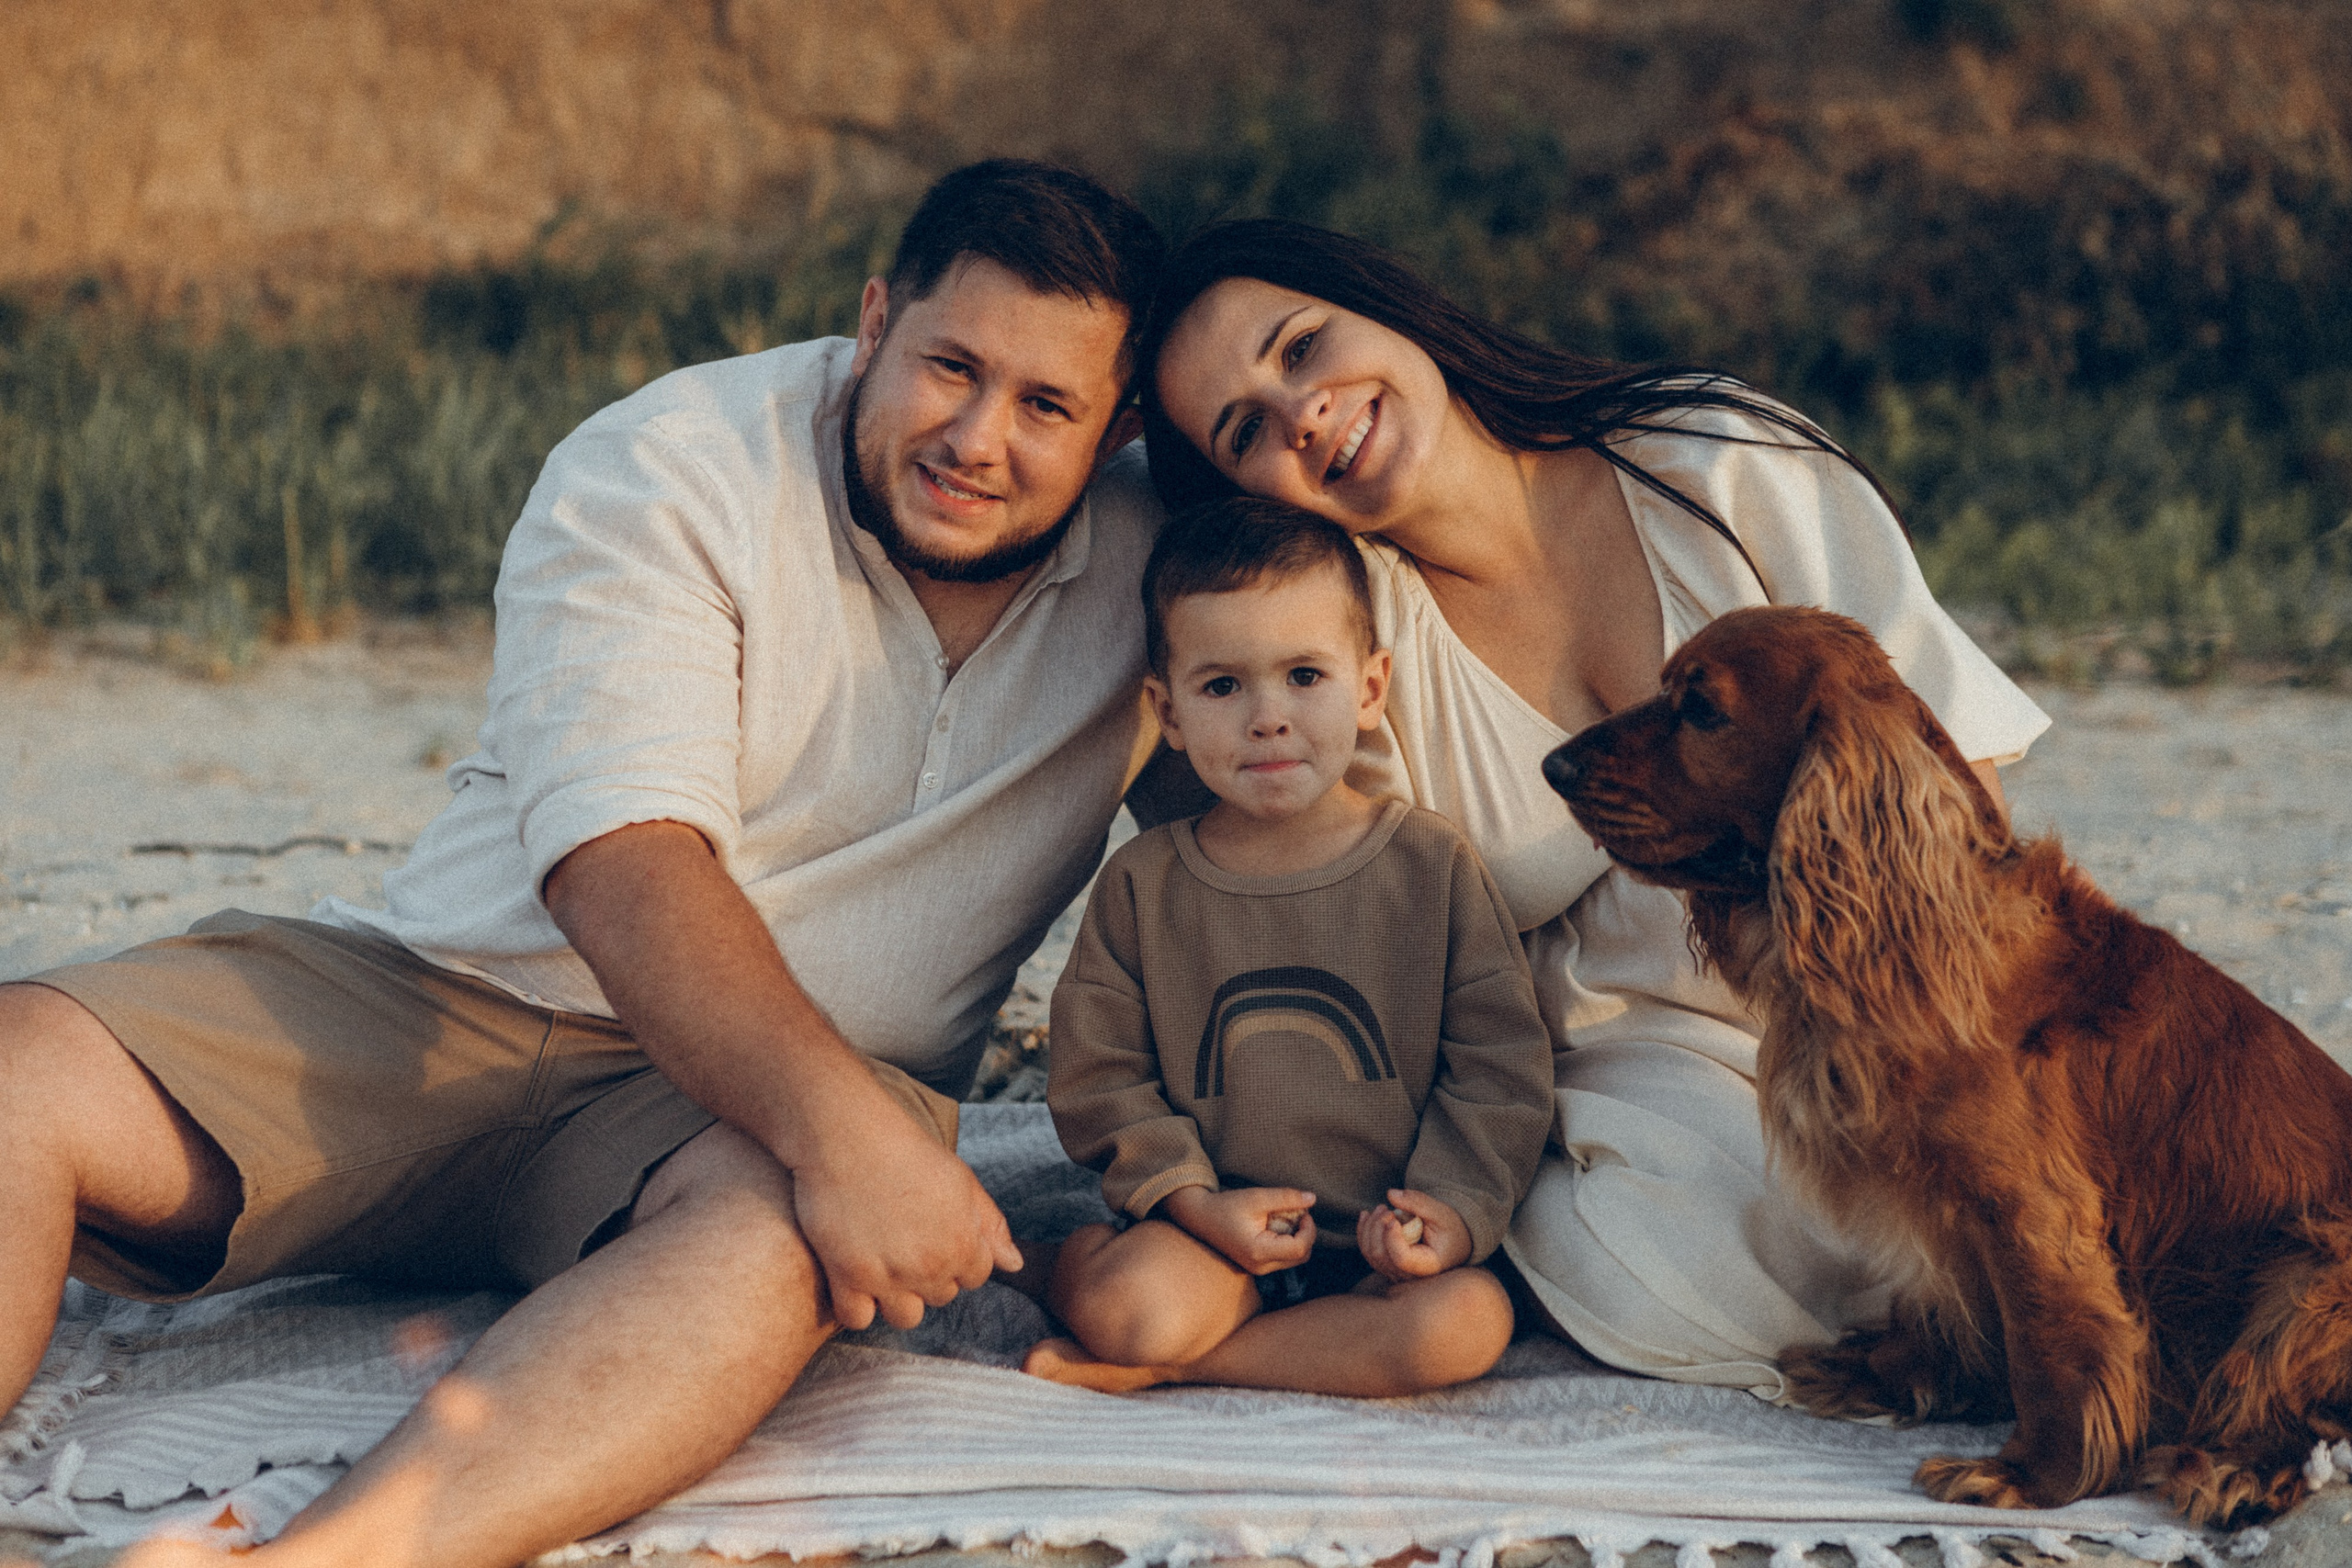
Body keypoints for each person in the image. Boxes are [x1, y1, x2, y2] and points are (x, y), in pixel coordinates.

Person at [0, 159, 1165, 1568]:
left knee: (777, 1241)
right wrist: (854, 1137)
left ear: (1116, 435)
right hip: (437, 1002)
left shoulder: (1157, 569)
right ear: (874, 322)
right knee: (23, 1067)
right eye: (950, 367)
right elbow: (624, 861)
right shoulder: (674, 458)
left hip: (721, 1138)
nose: (978, 436)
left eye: (1046, 405)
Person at [1133, 218, 2052, 1401]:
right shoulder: (1346, 642)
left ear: (1385, 304)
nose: (1299, 413)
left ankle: (2004, 1319)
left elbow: (1955, 768)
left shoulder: (1708, 455)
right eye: (1244, 431)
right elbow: (1376, 948)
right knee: (1661, 1246)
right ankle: (1935, 1341)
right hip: (1628, 1065)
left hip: (1887, 977)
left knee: (2055, 1171)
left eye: (1301, 348)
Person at [1024, 496, 1552, 1398]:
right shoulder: (1145, 883)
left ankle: (1170, 1371)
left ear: (1370, 687)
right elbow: (1100, 1075)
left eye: (1304, 676)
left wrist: (1448, 1218)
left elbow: (1498, 1065)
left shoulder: (1430, 867)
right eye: (1223, 686)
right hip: (1208, 1240)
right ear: (1169, 712)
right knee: (1134, 1308)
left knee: (1467, 1328)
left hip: (1379, 1255)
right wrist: (1197, 1204)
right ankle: (1063, 1269)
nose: (1267, 717)